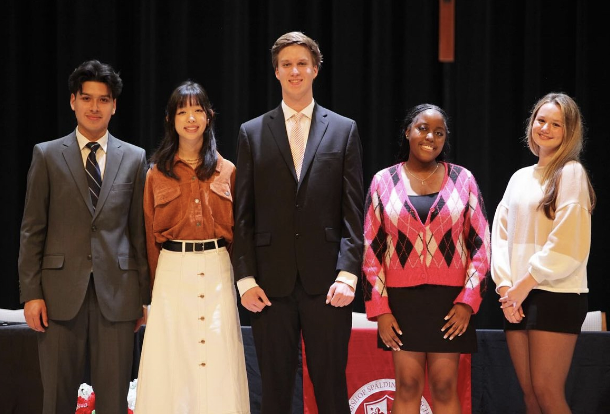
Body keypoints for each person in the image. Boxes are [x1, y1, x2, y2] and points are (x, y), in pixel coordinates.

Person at [231, 31, 364, 413]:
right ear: (276, 72)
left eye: (302, 63)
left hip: (329, 283)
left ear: (316, 69)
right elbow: (244, 215)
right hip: (269, 285)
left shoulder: (343, 129)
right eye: (286, 64)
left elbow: (353, 212)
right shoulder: (251, 132)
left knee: (331, 389)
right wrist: (245, 278)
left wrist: (348, 273)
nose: (294, 71)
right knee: (273, 391)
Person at [18, 59, 149, 414]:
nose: (95, 107)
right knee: (57, 399)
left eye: (103, 99)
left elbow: (139, 234)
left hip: (119, 296)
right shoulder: (46, 155)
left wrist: (145, 296)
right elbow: (32, 229)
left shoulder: (135, 158)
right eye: (87, 98)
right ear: (73, 101)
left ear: (114, 105)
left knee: (113, 402)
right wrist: (31, 294)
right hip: (58, 296)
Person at [363, 104, 490, 413]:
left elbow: (481, 245)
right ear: (407, 131)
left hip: (451, 304)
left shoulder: (464, 179)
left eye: (439, 132)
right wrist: (379, 310)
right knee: (406, 385)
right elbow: (370, 249)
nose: (430, 137)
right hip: (401, 303)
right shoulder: (383, 181)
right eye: (422, 128)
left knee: (445, 386)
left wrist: (467, 301)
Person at [134, 80, 249, 413]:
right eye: (182, 111)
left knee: (218, 356)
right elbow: (147, 238)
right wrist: (149, 294)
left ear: (209, 117)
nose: (191, 118)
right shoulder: (156, 175)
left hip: (217, 269)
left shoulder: (228, 171)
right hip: (172, 273)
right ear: (171, 119)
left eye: (198, 110)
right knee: (172, 362)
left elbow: (240, 235)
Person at [491, 92, 596, 414]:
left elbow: (569, 241)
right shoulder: (520, 177)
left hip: (556, 294)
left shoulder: (571, 172)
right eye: (541, 120)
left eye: (556, 124)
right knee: (530, 397)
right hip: (517, 296)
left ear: (569, 132)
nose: (546, 128)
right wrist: (506, 287)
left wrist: (526, 283)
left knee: (547, 393)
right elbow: (500, 235)